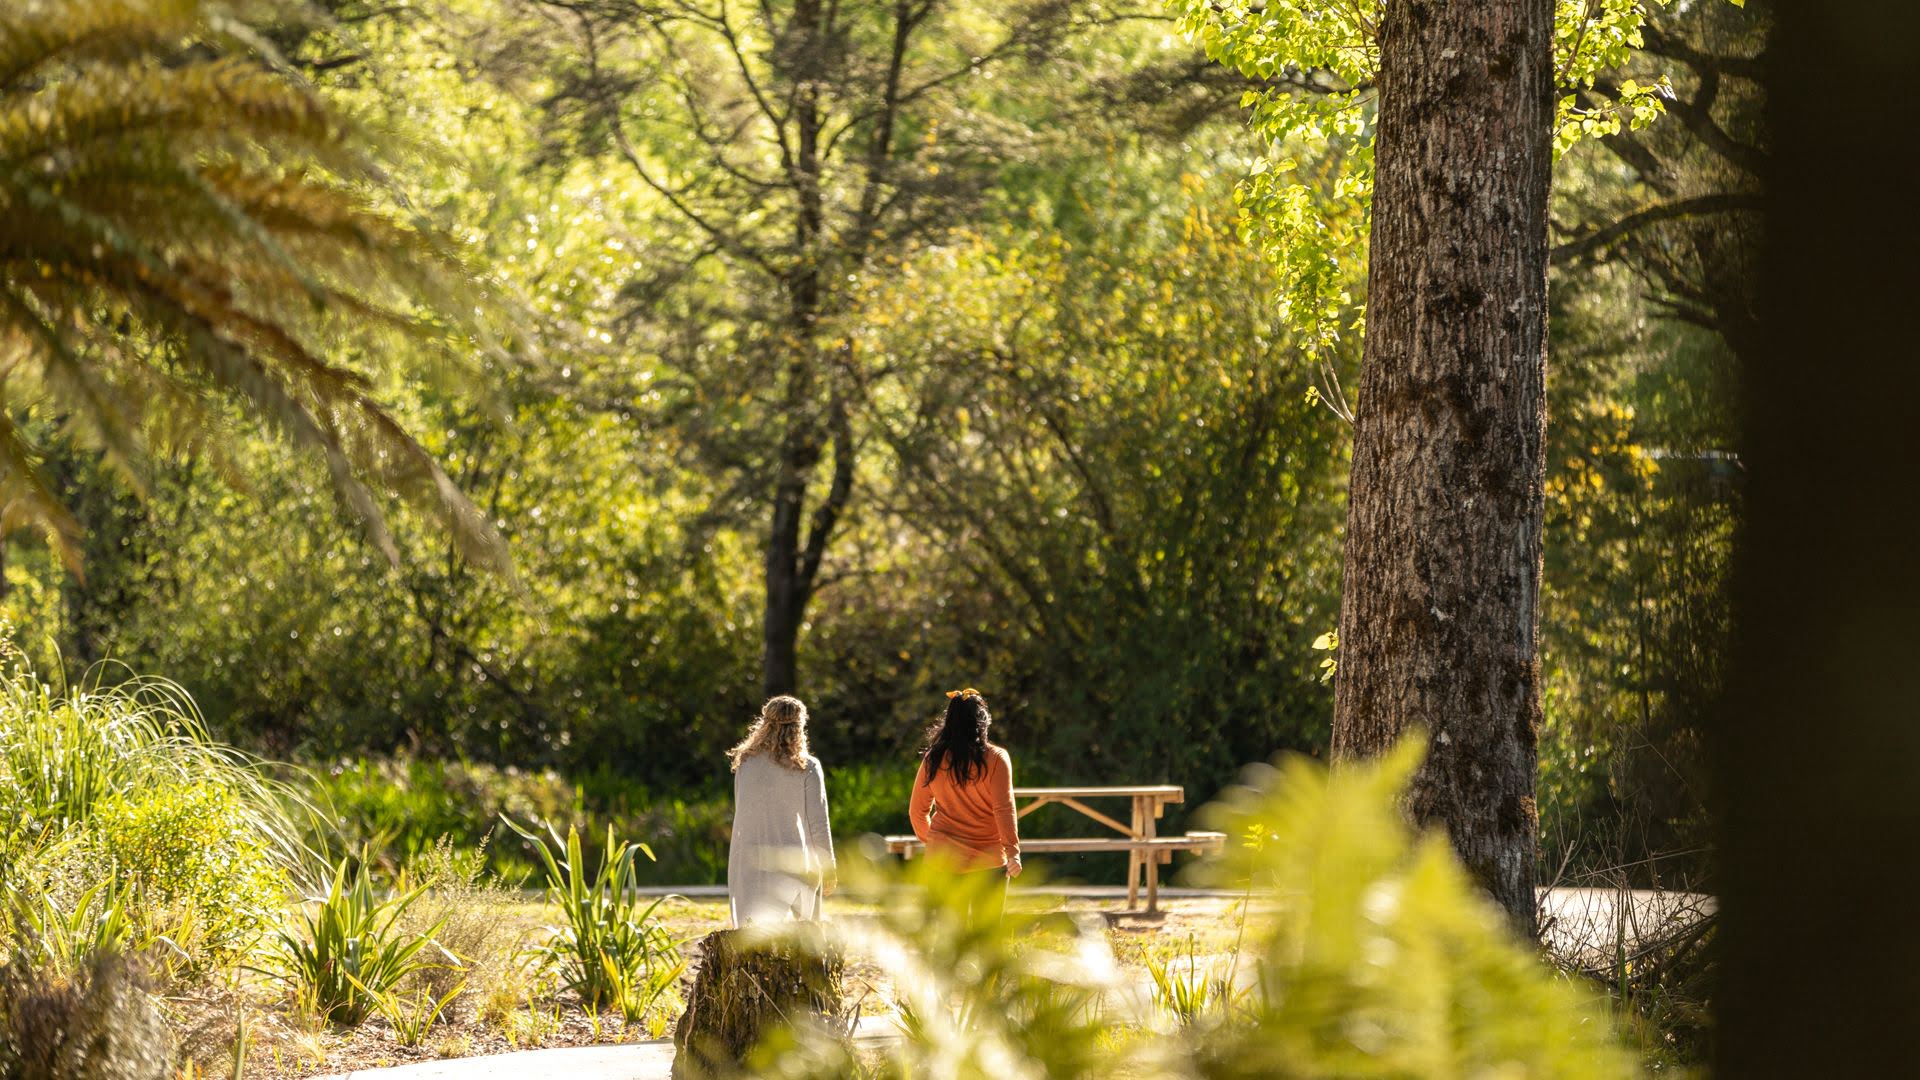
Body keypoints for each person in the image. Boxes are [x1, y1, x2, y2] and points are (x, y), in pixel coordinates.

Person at [908, 688, 1022, 926]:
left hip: (943, 861)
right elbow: (1004, 808)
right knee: (986, 935)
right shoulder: (997, 759)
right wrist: (1013, 851)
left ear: (949, 722)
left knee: (948, 941)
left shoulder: (933, 759)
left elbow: (917, 811)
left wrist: (934, 841)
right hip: (989, 861)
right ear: (984, 723)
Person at [726, 695, 836, 927]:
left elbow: (743, 812)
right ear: (800, 726)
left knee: (753, 943)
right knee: (805, 940)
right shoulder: (807, 766)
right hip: (794, 862)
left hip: (749, 861)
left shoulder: (745, 763)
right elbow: (817, 822)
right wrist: (829, 866)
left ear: (764, 725)